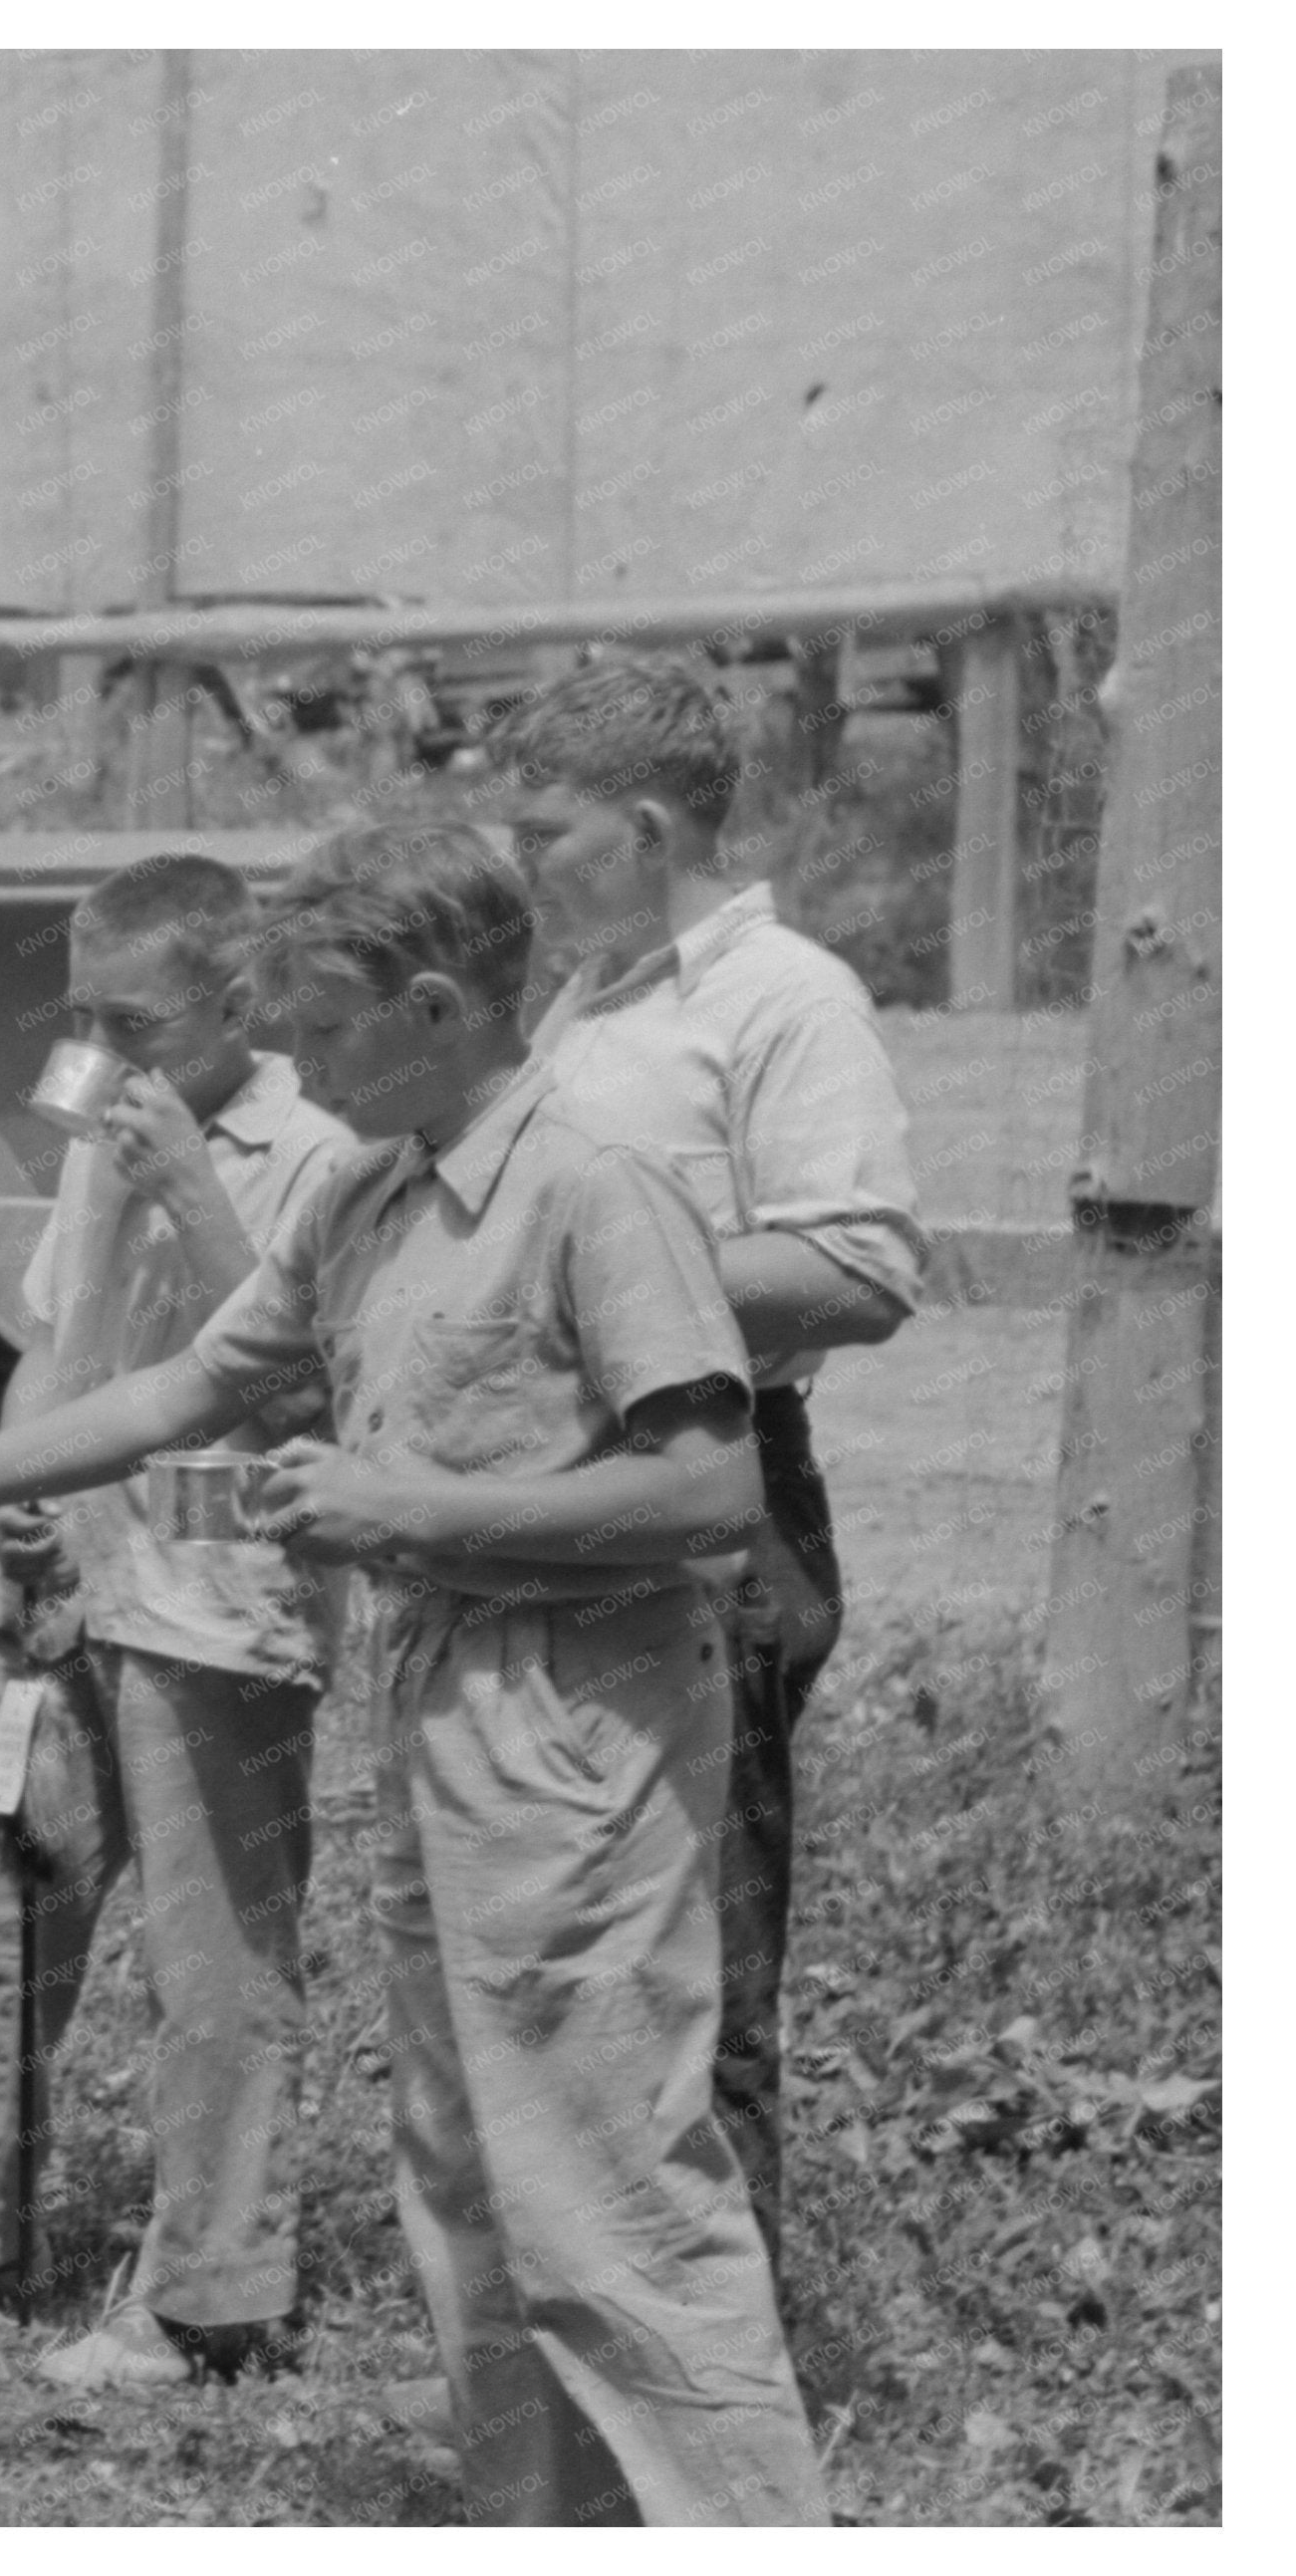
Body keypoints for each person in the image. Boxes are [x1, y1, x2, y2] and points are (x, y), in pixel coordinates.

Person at [0, 821, 827, 2524]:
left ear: (434, 1008)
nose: (300, 1061)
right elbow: (174, 1394)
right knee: (463, 2173)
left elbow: (712, 1492)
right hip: (440, 1706)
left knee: (612, 2191)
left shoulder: (594, 1181)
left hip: (581, 1722)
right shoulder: (366, 1186)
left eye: (330, 1032)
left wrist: (406, 1499)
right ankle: (542, 2519)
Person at [0, 856, 359, 2388]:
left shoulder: (322, 1149)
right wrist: (14, 1497)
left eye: (135, 1018)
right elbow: (55, 1332)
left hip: (216, 1595)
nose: (101, 1044)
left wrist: (199, 1199)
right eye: (84, 1010)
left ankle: (208, 2297)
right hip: (68, 1575)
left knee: (210, 1964)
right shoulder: (98, 1121)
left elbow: (321, 1386)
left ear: (237, 1003)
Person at [492, 658, 924, 2283]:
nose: (523, 864)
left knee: (698, 1956)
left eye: (548, 832)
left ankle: (730, 2393)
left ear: (649, 824)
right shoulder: (592, 995)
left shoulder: (785, 999)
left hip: (716, 1504)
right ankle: (587, 2342)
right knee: (575, 1935)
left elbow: (862, 1271)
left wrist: (574, 1273)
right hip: (570, 1496)